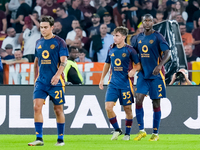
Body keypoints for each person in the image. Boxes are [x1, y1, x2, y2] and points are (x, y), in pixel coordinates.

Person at [28, 16, 68, 146]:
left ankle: (60, 139)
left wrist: (57, 76)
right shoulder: (38, 42)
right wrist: (35, 78)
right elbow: (36, 62)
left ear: (52, 27)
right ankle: (39, 138)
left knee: (58, 109)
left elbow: (64, 61)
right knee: (36, 107)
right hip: (41, 82)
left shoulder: (59, 42)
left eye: (45, 27)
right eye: (41, 27)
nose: (43, 30)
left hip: (56, 82)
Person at [130, 14, 171, 141]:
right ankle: (141, 131)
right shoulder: (137, 38)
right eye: (145, 21)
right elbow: (134, 55)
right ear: (142, 23)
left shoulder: (158, 36)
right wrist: (136, 67)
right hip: (143, 74)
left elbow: (168, 53)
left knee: (156, 103)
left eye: (149, 21)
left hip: (156, 76)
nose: (147, 23)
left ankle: (155, 133)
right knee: (138, 99)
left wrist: (160, 65)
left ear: (153, 22)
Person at [99, 26, 141, 141]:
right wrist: (102, 79)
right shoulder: (111, 49)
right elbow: (107, 64)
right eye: (113, 35)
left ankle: (127, 134)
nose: (114, 38)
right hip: (113, 83)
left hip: (126, 84)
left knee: (127, 108)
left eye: (117, 36)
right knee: (108, 107)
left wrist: (133, 70)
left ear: (123, 37)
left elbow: (138, 65)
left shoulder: (130, 50)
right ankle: (117, 129)